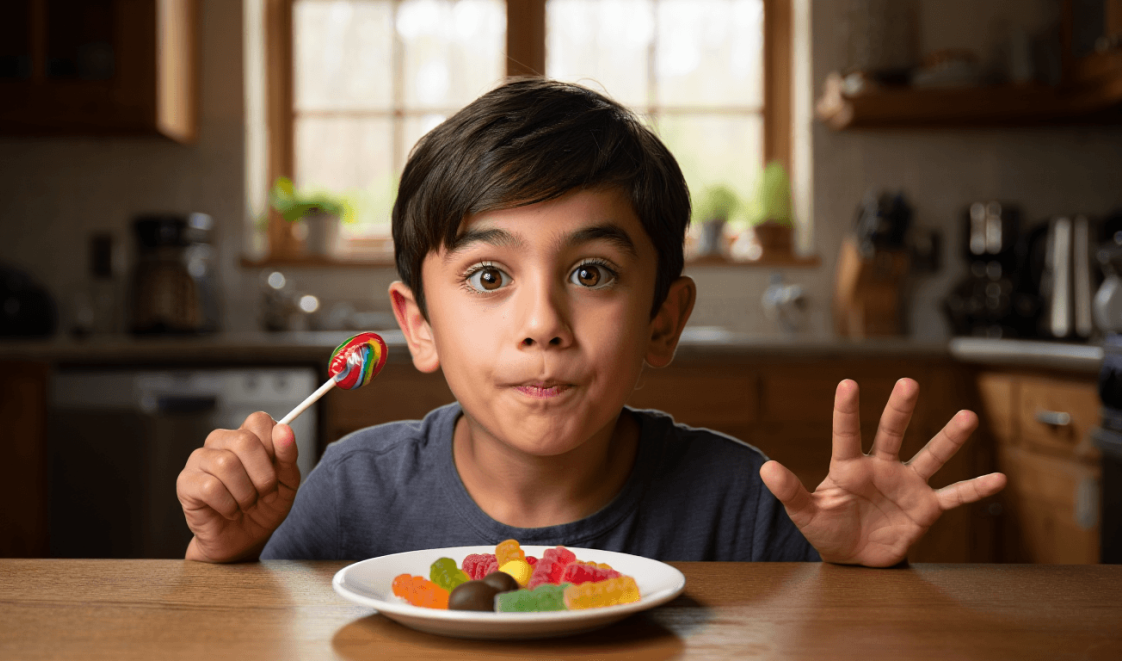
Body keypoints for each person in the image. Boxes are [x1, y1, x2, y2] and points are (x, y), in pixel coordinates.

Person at [177, 78, 1006, 566]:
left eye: (591, 273)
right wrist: (223, 559)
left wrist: (856, 578)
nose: (543, 322)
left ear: (663, 320)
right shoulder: (349, 491)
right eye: (490, 275)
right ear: (417, 323)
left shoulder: (743, 507)